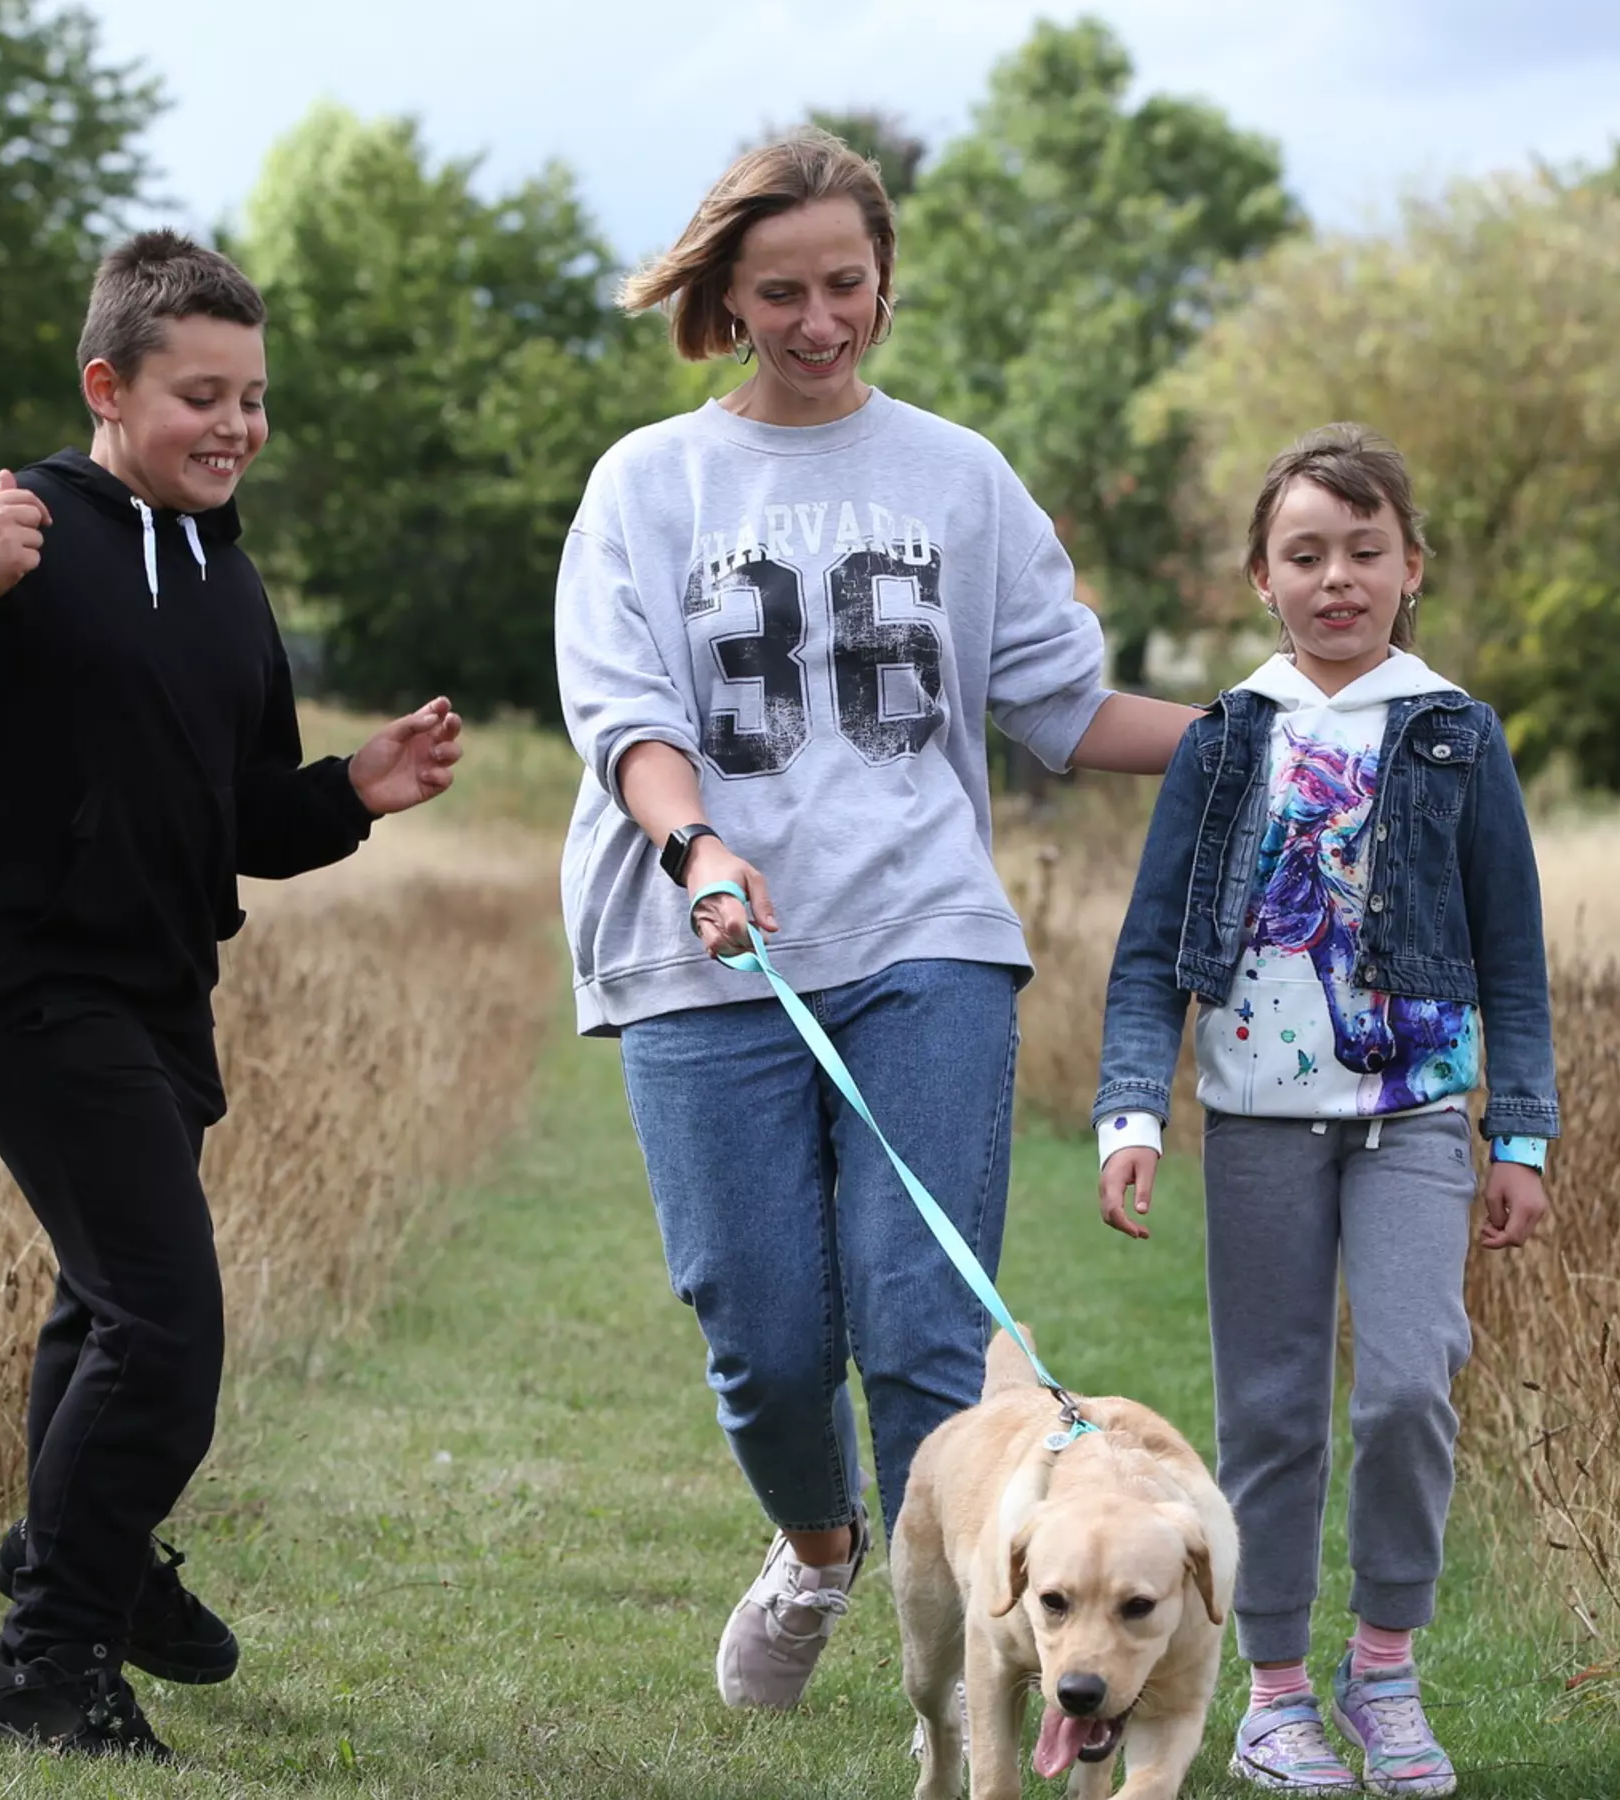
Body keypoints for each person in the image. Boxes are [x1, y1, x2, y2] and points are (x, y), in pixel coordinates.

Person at [0, 230, 463, 1759]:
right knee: (165, 1323)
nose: (236, 428)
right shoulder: (16, 519)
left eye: (254, 399)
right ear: (109, 385)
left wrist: (350, 789)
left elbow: (238, 820)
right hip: (15, 976)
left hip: (158, 992)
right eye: (201, 397)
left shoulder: (226, 582)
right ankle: (45, 1660)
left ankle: (75, 1554)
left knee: (105, 1308)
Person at [554, 129, 1197, 1712]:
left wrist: (1268, 734)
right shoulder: (650, 482)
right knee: (761, 1335)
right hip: (710, 948)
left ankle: (975, 1692)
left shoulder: (959, 475)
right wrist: (696, 846)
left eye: (847, 283)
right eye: (783, 291)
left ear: (885, 279)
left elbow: (1057, 701)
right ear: (727, 298)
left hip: (927, 943)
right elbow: (624, 709)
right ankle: (823, 1545)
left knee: (923, 1328)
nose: (821, 317)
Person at [1089, 425, 1559, 1797]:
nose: (1337, 578)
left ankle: (1386, 1668)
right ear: (1261, 576)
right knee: (1275, 1409)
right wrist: (1134, 1113)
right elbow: (1148, 951)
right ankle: (1278, 1694)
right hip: (1256, 1118)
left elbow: (1514, 955)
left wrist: (1517, 1135)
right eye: (1307, 555)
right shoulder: (1227, 740)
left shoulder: (1456, 736)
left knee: (1412, 1383)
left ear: (1412, 567)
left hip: (1416, 1111)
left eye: (1366, 552)